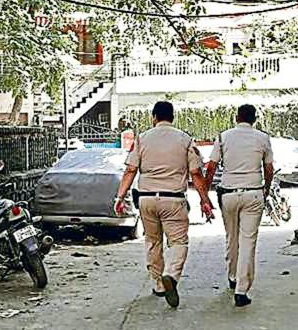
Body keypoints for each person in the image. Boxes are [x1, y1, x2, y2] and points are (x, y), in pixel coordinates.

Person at [115, 101, 214, 308]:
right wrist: (205, 201)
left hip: (146, 198)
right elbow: (196, 173)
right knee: (178, 242)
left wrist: (120, 197)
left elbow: (130, 170)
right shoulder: (185, 139)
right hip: (173, 199)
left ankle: (159, 284)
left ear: (154, 117)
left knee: (153, 241)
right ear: (173, 117)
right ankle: (171, 274)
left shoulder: (142, 138)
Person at [205, 104, 273, 307]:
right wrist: (266, 189)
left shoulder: (223, 137)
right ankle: (241, 291)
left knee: (231, 237)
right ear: (255, 119)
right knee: (248, 241)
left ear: (236, 117)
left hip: (228, 194)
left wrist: (205, 195)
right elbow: (269, 168)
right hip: (253, 193)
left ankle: (233, 276)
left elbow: (211, 167)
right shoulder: (263, 138)